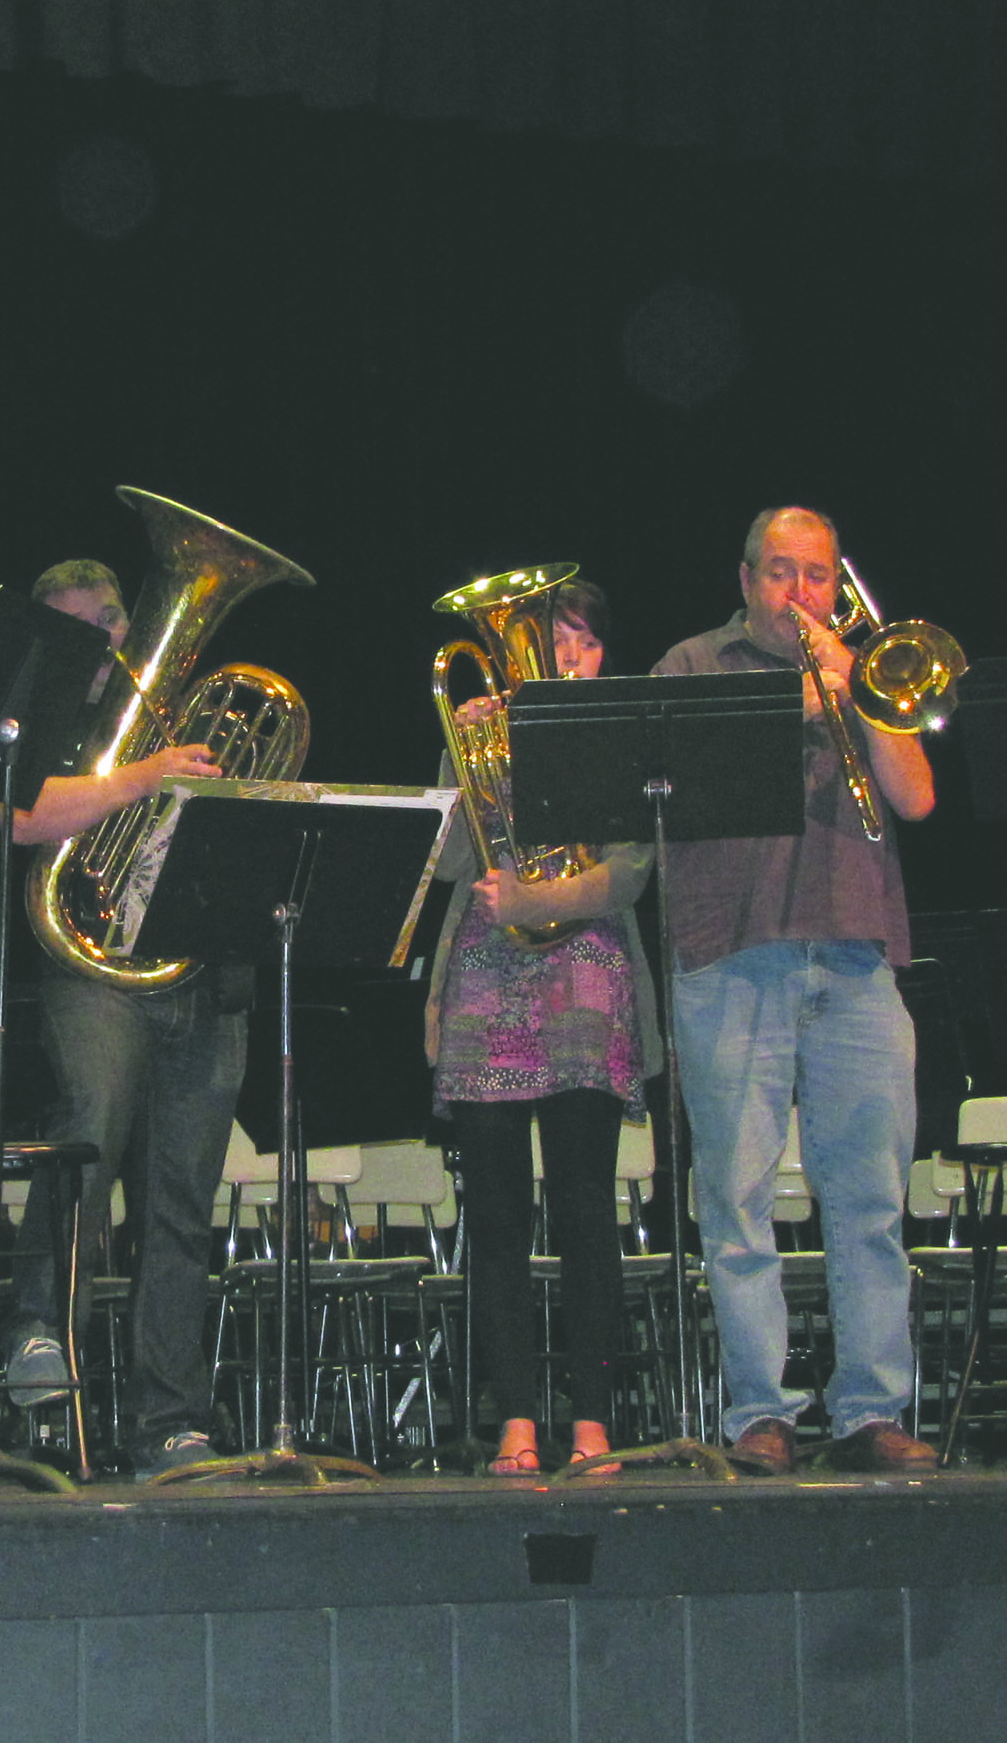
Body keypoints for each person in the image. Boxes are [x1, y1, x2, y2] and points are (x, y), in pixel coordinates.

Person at [654, 506, 938, 1474]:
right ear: (745, 582)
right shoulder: (693, 667)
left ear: (837, 583)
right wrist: (793, 717)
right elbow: (674, 792)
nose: (800, 595)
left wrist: (859, 695)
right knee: (735, 1202)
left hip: (856, 956)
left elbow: (916, 797)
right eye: (780, 573)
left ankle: (870, 1409)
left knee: (870, 1201)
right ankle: (759, 1415)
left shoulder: (864, 669)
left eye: (816, 575)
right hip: (733, 953)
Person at [2, 558, 243, 1480]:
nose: (104, 639)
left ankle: (171, 1419)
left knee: (182, 1204)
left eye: (110, 616)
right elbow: (21, 818)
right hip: (93, 966)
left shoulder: (189, 707)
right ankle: (38, 1322)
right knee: (89, 1139)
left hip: (200, 973)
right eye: (77, 626)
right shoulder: (39, 722)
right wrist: (143, 775)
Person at [424, 579, 658, 1476]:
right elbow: (448, 861)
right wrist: (461, 754)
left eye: (585, 642)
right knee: (495, 1213)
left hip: (585, 978)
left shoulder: (617, 733)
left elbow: (629, 872)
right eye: (554, 637)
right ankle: (518, 1419)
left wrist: (536, 897)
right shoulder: (484, 729)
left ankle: (592, 1420)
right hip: (486, 972)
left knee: (585, 1207)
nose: (567, 655)